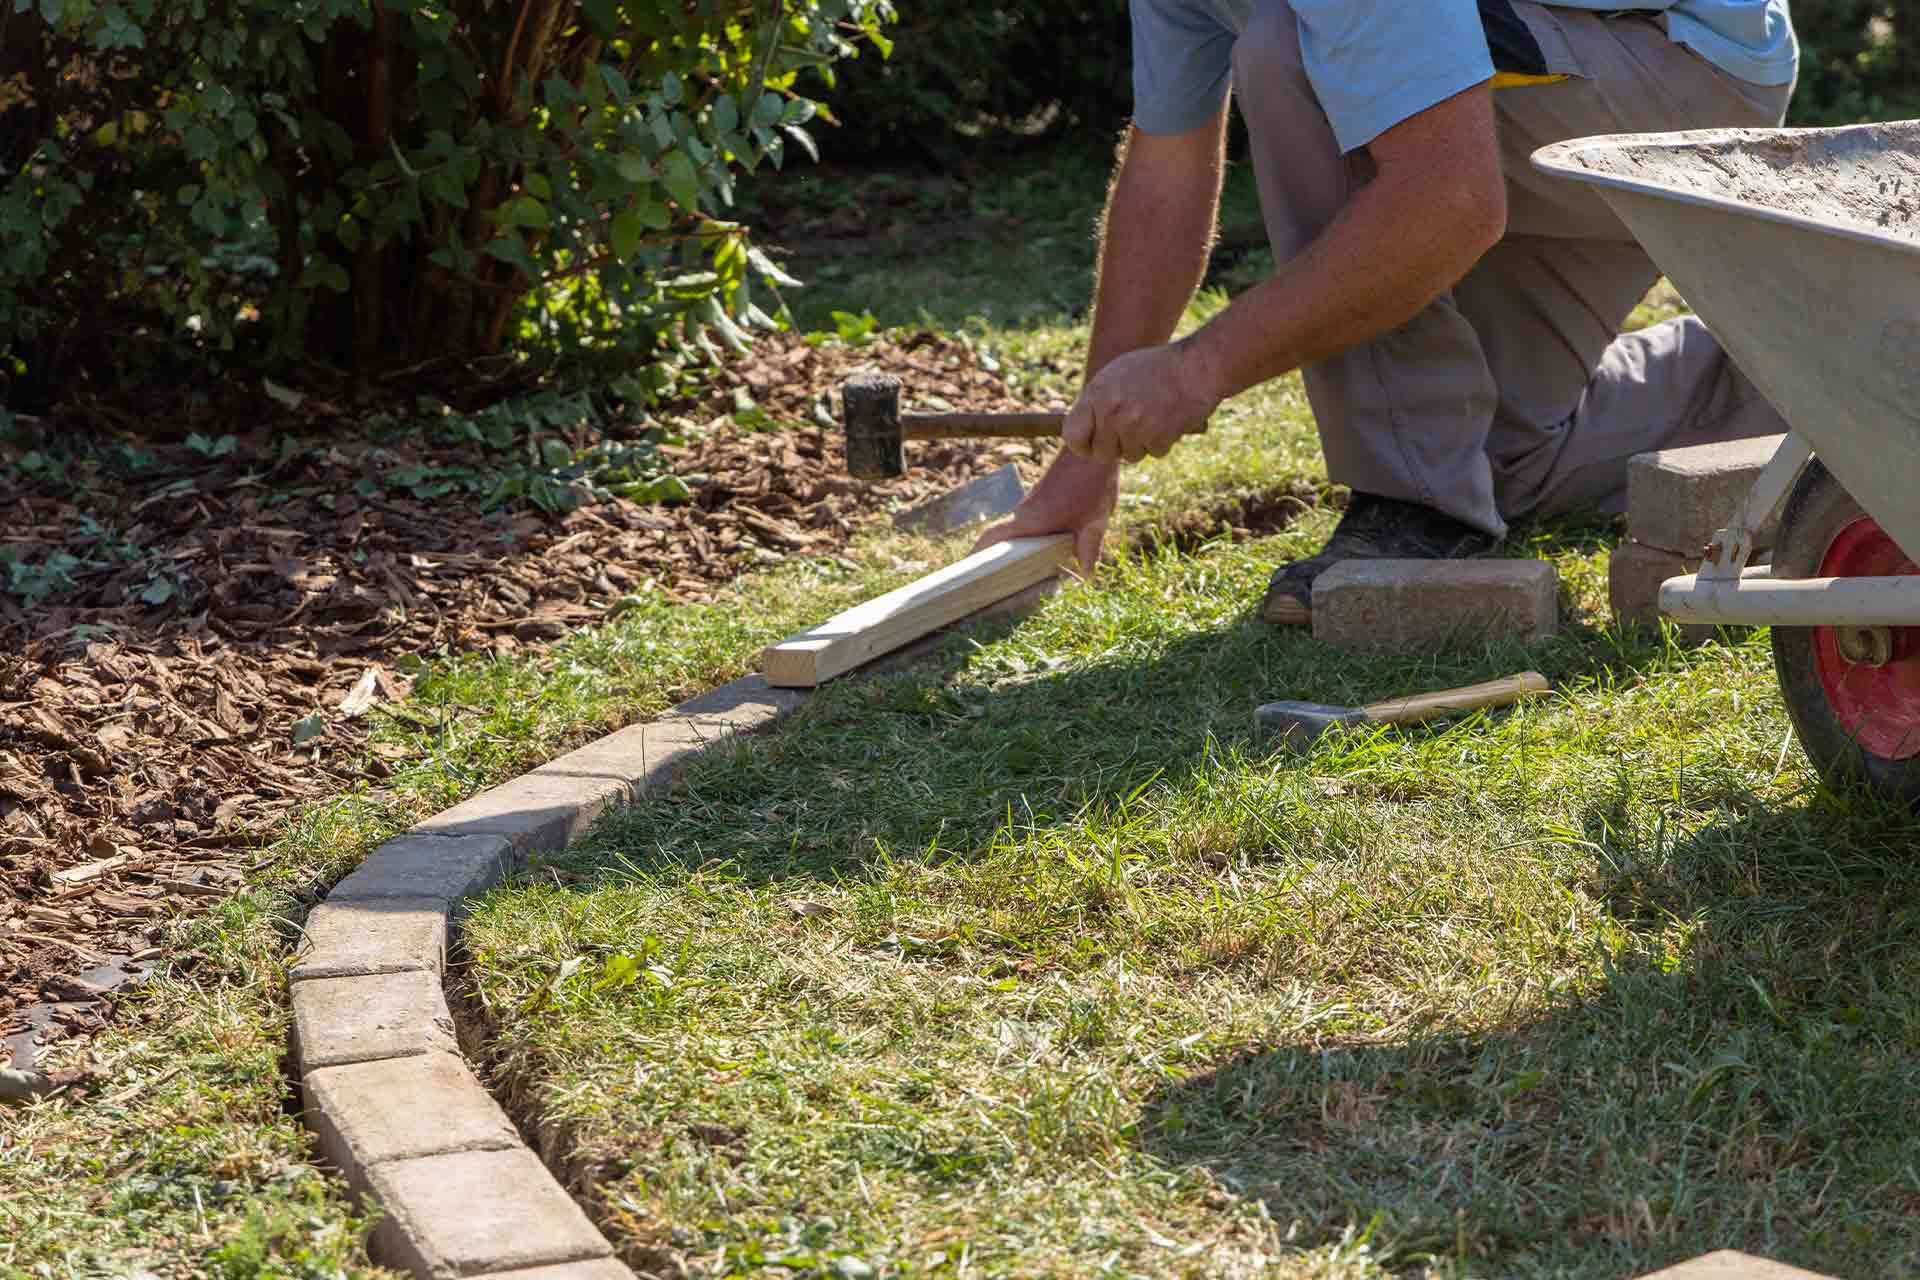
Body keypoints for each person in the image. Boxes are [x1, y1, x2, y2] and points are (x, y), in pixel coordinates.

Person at [976, 0, 1797, 622]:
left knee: (1289, 49)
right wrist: (1085, 463)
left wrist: (1200, 369)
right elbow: (1169, 165)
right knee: (1498, 465)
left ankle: (1415, 502)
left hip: (1671, 69)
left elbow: (1451, 202)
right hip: (1566, 58)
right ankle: (1803, 373)